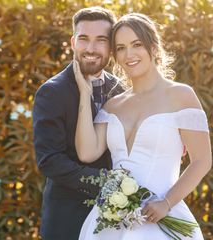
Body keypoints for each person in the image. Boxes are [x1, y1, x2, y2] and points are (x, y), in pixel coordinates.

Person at [74, 13, 212, 239]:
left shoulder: (181, 95)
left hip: (160, 218)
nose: (129, 54)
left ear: (154, 47)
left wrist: (166, 203)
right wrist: (84, 93)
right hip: (109, 223)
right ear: (115, 55)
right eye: (120, 48)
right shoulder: (113, 105)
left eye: (136, 44)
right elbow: (87, 153)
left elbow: (202, 160)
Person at [32, 7, 124, 240]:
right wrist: (106, 184)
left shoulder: (121, 89)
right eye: (84, 39)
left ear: (111, 46)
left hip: (120, 220)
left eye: (100, 40)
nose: (91, 49)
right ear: (73, 42)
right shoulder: (52, 92)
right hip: (68, 221)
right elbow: (50, 161)